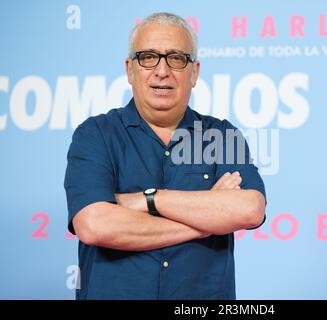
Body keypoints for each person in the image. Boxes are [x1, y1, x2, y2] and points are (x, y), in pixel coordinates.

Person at [64, 12, 266, 300]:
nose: (162, 71)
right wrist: (206, 224)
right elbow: (95, 225)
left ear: (194, 72)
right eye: (148, 57)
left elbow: (249, 209)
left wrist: (149, 199)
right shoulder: (95, 134)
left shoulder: (222, 135)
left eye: (176, 58)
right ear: (129, 70)